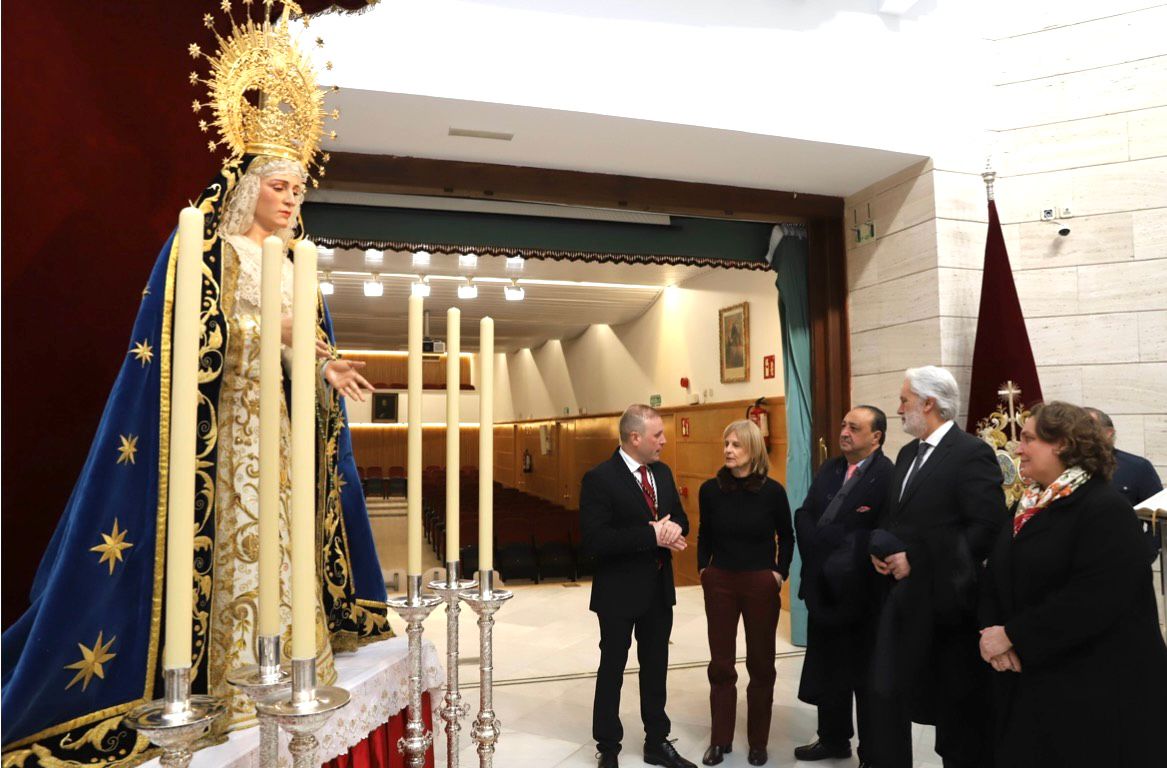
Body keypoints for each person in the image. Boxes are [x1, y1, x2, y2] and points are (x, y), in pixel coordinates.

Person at [1, 12, 391, 766]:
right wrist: (273, 337)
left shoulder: (298, 261)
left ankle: (291, 660)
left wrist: (322, 367)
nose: (291, 201)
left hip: (279, 430)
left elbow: (305, 345)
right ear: (249, 188)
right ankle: (228, 680)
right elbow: (190, 340)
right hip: (224, 433)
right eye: (279, 187)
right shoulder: (211, 248)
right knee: (231, 549)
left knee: (287, 538)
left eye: (300, 189)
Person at [979, 401, 1167, 767]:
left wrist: (1013, 634)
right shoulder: (1029, 503)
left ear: (1062, 444)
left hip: (1098, 691)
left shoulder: (1104, 507)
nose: (1018, 449)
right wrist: (992, 632)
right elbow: (995, 568)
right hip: (1035, 676)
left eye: (1029, 439)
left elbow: (1094, 599)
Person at [867, 366, 1007, 768]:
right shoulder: (908, 453)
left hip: (949, 605)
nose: (898, 409)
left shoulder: (970, 453)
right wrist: (883, 550)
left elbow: (986, 527)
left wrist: (918, 560)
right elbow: (897, 519)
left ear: (929, 403)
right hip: (904, 602)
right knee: (895, 695)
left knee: (956, 721)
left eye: (904, 400)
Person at [581, 404, 695, 768]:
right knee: (612, 667)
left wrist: (674, 528)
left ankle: (657, 741)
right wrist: (652, 534)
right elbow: (597, 540)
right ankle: (608, 747)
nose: (663, 441)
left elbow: (679, 518)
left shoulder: (661, 472)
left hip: (658, 589)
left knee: (656, 666)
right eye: (657, 435)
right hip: (618, 591)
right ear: (635, 437)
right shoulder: (600, 478)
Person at [793, 406, 893, 768]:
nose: (844, 431)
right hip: (822, 585)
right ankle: (833, 739)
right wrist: (818, 543)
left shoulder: (885, 475)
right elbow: (804, 513)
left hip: (860, 594)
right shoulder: (831, 468)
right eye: (843, 424)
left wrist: (830, 540)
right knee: (828, 668)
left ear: (876, 437)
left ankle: (871, 753)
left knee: (864, 678)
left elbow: (877, 531)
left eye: (854, 427)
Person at [697, 419, 793, 767]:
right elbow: (705, 533)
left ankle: (758, 742)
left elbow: (787, 534)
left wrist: (778, 573)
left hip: (758, 583)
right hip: (720, 579)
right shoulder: (710, 490)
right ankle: (720, 741)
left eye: (736, 445)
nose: (728, 450)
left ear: (753, 449)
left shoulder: (772, 492)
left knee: (761, 664)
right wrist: (703, 569)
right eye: (726, 444)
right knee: (721, 664)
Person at [1084, 406, 1163, 557]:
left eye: (1087, 428)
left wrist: (1139, 557)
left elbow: (1160, 522)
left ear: (1108, 433)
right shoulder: (1060, 469)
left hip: (1122, 565)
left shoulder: (1137, 467)